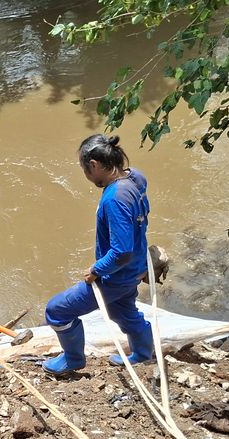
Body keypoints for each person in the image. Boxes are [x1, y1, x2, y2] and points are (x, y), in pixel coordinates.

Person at [42, 134, 154, 375]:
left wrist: (96, 269)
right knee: (122, 311)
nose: (87, 175)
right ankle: (143, 354)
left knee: (57, 311)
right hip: (136, 268)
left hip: (116, 276)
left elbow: (121, 252)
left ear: (94, 165)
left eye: (85, 169)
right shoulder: (136, 177)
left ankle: (73, 359)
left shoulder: (114, 199)